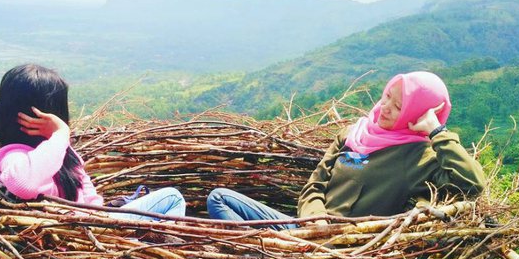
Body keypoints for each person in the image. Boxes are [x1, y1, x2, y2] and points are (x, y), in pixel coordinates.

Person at [207, 71, 485, 230]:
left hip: (342, 248)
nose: (385, 107)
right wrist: (315, 220)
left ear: (417, 113)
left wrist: (437, 132)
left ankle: (267, 254)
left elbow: (472, 184)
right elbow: (314, 186)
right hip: (305, 228)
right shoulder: (354, 134)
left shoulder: (418, 158)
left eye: (399, 106)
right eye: (387, 95)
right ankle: (267, 252)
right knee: (219, 198)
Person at [0, 64, 186, 221]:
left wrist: (105, 220)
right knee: (172, 197)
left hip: (96, 230)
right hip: (78, 235)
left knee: (169, 200)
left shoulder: (63, 153)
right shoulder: (14, 155)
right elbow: (24, 185)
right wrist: (61, 133)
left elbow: (90, 196)